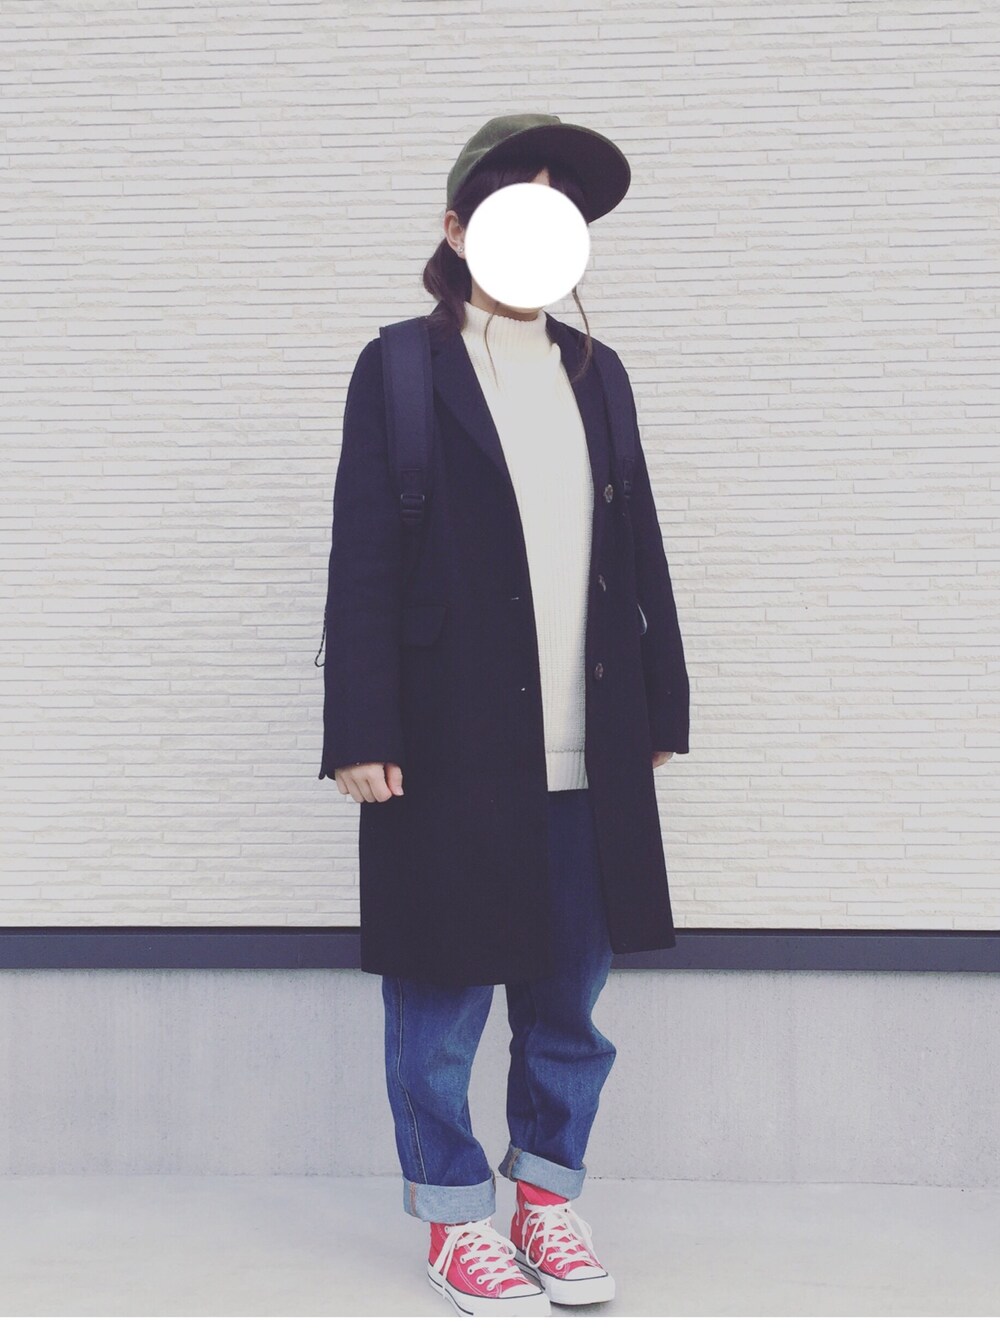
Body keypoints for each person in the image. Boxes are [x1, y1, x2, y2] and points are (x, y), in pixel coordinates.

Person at [318, 114, 690, 1317]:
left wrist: (662, 694)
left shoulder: (598, 369)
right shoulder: (399, 368)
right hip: (445, 740)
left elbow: (636, 542)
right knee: (439, 998)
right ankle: (452, 1213)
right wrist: (360, 726)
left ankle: (543, 1194)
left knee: (568, 1002)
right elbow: (363, 556)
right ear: (455, 227)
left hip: (590, 737)